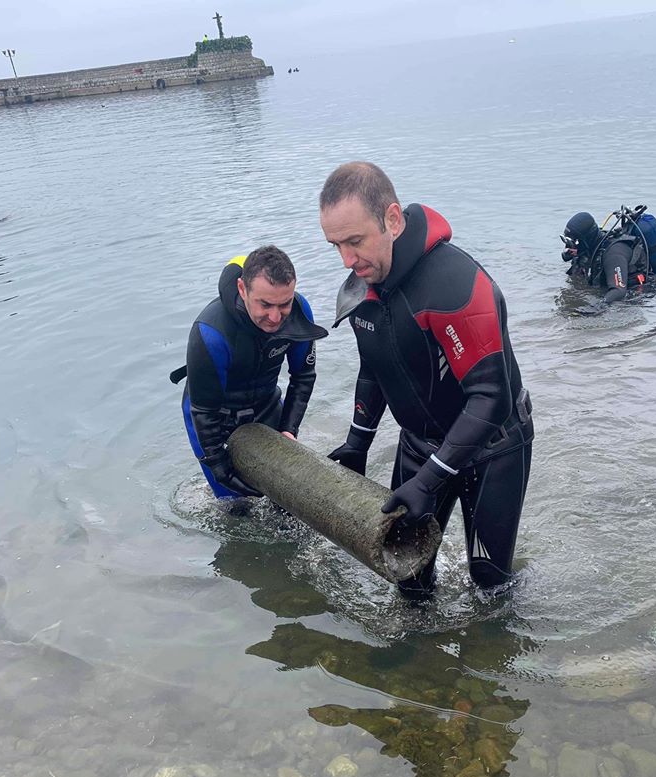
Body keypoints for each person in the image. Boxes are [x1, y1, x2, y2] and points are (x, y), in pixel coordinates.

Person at [319, 162, 533, 594]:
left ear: (393, 220)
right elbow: (374, 366)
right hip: (419, 445)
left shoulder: (455, 284)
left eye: (355, 241)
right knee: (406, 577)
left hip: (495, 448)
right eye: (335, 245)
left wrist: (430, 479)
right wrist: (358, 443)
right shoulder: (364, 283)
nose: (346, 260)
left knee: (488, 583)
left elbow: (492, 396)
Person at [171, 245, 327, 499]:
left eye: (284, 304)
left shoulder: (299, 312)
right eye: (265, 304)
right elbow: (203, 411)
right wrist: (220, 466)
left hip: (266, 404)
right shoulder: (211, 332)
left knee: (285, 501)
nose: (276, 317)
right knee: (235, 506)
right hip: (212, 416)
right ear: (243, 290)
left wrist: (289, 429)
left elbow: (303, 377)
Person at [561, 206, 656, 304]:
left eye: (574, 242)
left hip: (643, 295)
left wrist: (596, 308)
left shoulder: (614, 254)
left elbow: (618, 291)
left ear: (585, 239)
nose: (571, 247)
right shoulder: (589, 248)